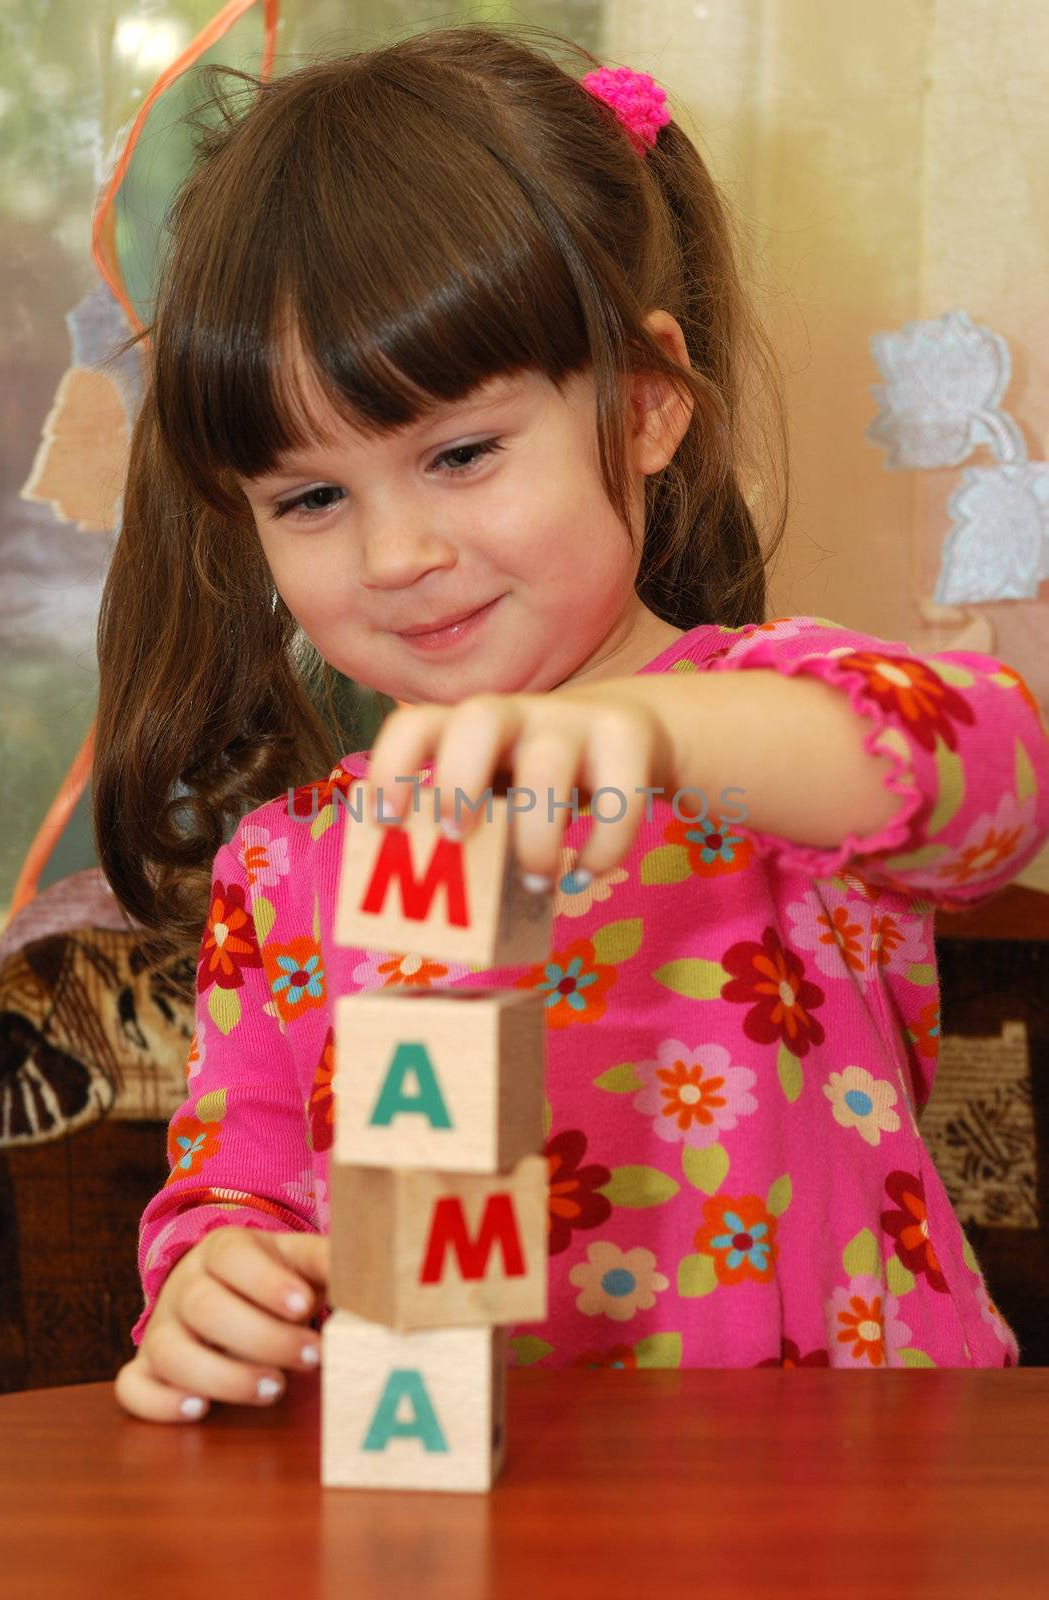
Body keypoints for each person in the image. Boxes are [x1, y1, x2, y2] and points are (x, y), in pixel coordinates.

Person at [93, 22, 1049, 1424]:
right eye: (310, 498)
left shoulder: (782, 733)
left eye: (461, 453)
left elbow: (999, 771)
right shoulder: (289, 871)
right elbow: (239, 1182)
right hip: (475, 1516)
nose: (397, 552)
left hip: (859, 1497)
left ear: (651, 403)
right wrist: (215, 1278)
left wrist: (665, 737)